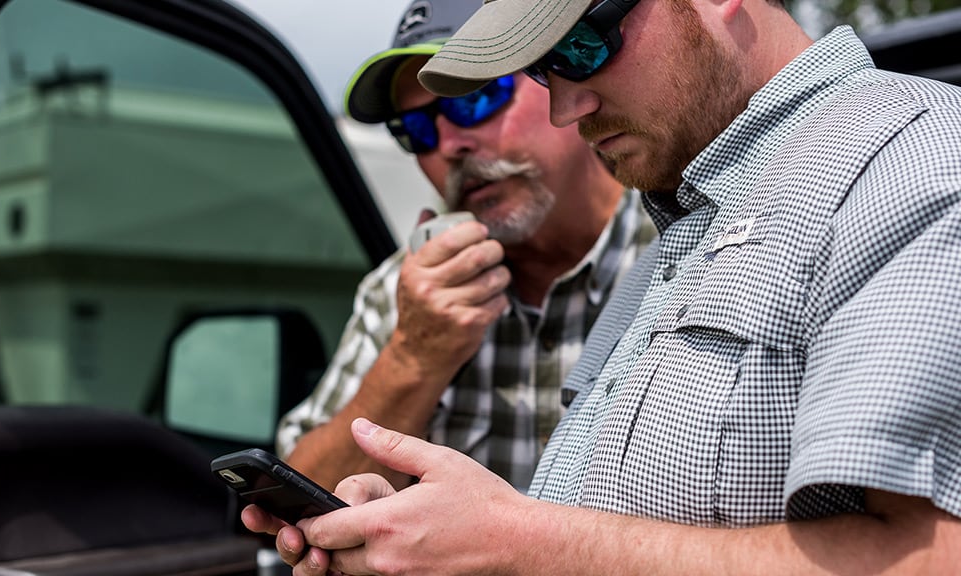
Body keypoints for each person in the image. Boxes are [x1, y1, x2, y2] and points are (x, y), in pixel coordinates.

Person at [248, 0, 961, 572]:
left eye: (578, 46)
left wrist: (513, 544)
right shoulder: (689, 223)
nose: (566, 106)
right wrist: (428, 536)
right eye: (538, 71)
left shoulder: (907, 162)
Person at [276, 0, 653, 492]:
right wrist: (414, 357)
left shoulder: (689, 252)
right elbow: (300, 503)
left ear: (557, 75)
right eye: (415, 130)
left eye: (472, 99)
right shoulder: (409, 288)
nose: (449, 145)